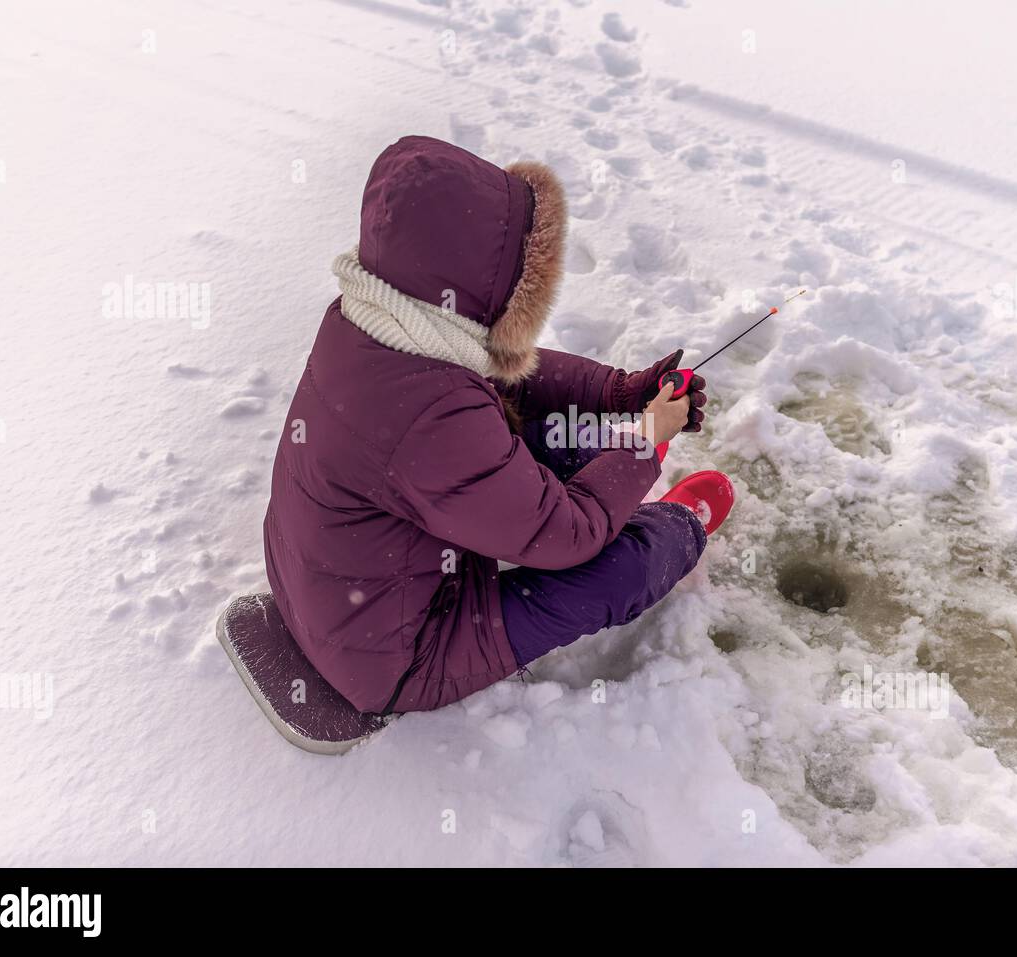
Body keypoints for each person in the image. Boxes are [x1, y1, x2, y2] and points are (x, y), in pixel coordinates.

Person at [263, 135, 734, 715]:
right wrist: (645, 443)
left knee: (555, 434)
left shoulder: (377, 322)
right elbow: (566, 535)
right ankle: (681, 527)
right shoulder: (433, 418)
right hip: (398, 658)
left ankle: (601, 476)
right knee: (617, 567)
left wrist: (620, 392)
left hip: (334, 591)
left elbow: (506, 374)